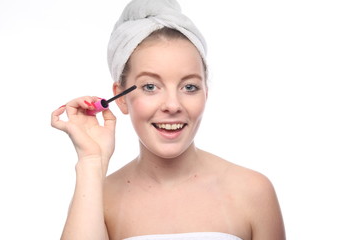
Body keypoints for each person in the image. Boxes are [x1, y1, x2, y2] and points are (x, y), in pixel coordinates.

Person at [51, 0, 286, 239]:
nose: (172, 105)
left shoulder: (253, 192)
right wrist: (91, 162)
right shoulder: (97, 199)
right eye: (150, 86)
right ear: (120, 98)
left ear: (206, 93)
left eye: (190, 86)